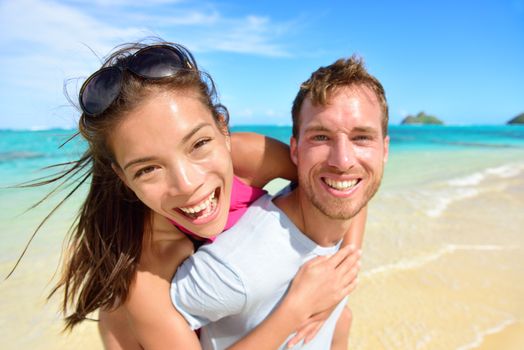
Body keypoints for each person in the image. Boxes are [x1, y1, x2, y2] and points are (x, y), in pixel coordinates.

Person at [19, 41, 363, 349]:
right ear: (122, 177)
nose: (186, 184)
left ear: (222, 128)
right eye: (147, 169)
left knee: (343, 320)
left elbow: (348, 182)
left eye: (198, 144)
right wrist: (297, 309)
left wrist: (344, 269)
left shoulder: (248, 157)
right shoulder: (145, 273)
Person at [170, 55, 390, 349]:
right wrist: (295, 311)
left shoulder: (341, 214)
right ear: (295, 151)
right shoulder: (232, 268)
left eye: (362, 138)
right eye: (321, 137)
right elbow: (136, 323)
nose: (343, 161)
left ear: (384, 151)